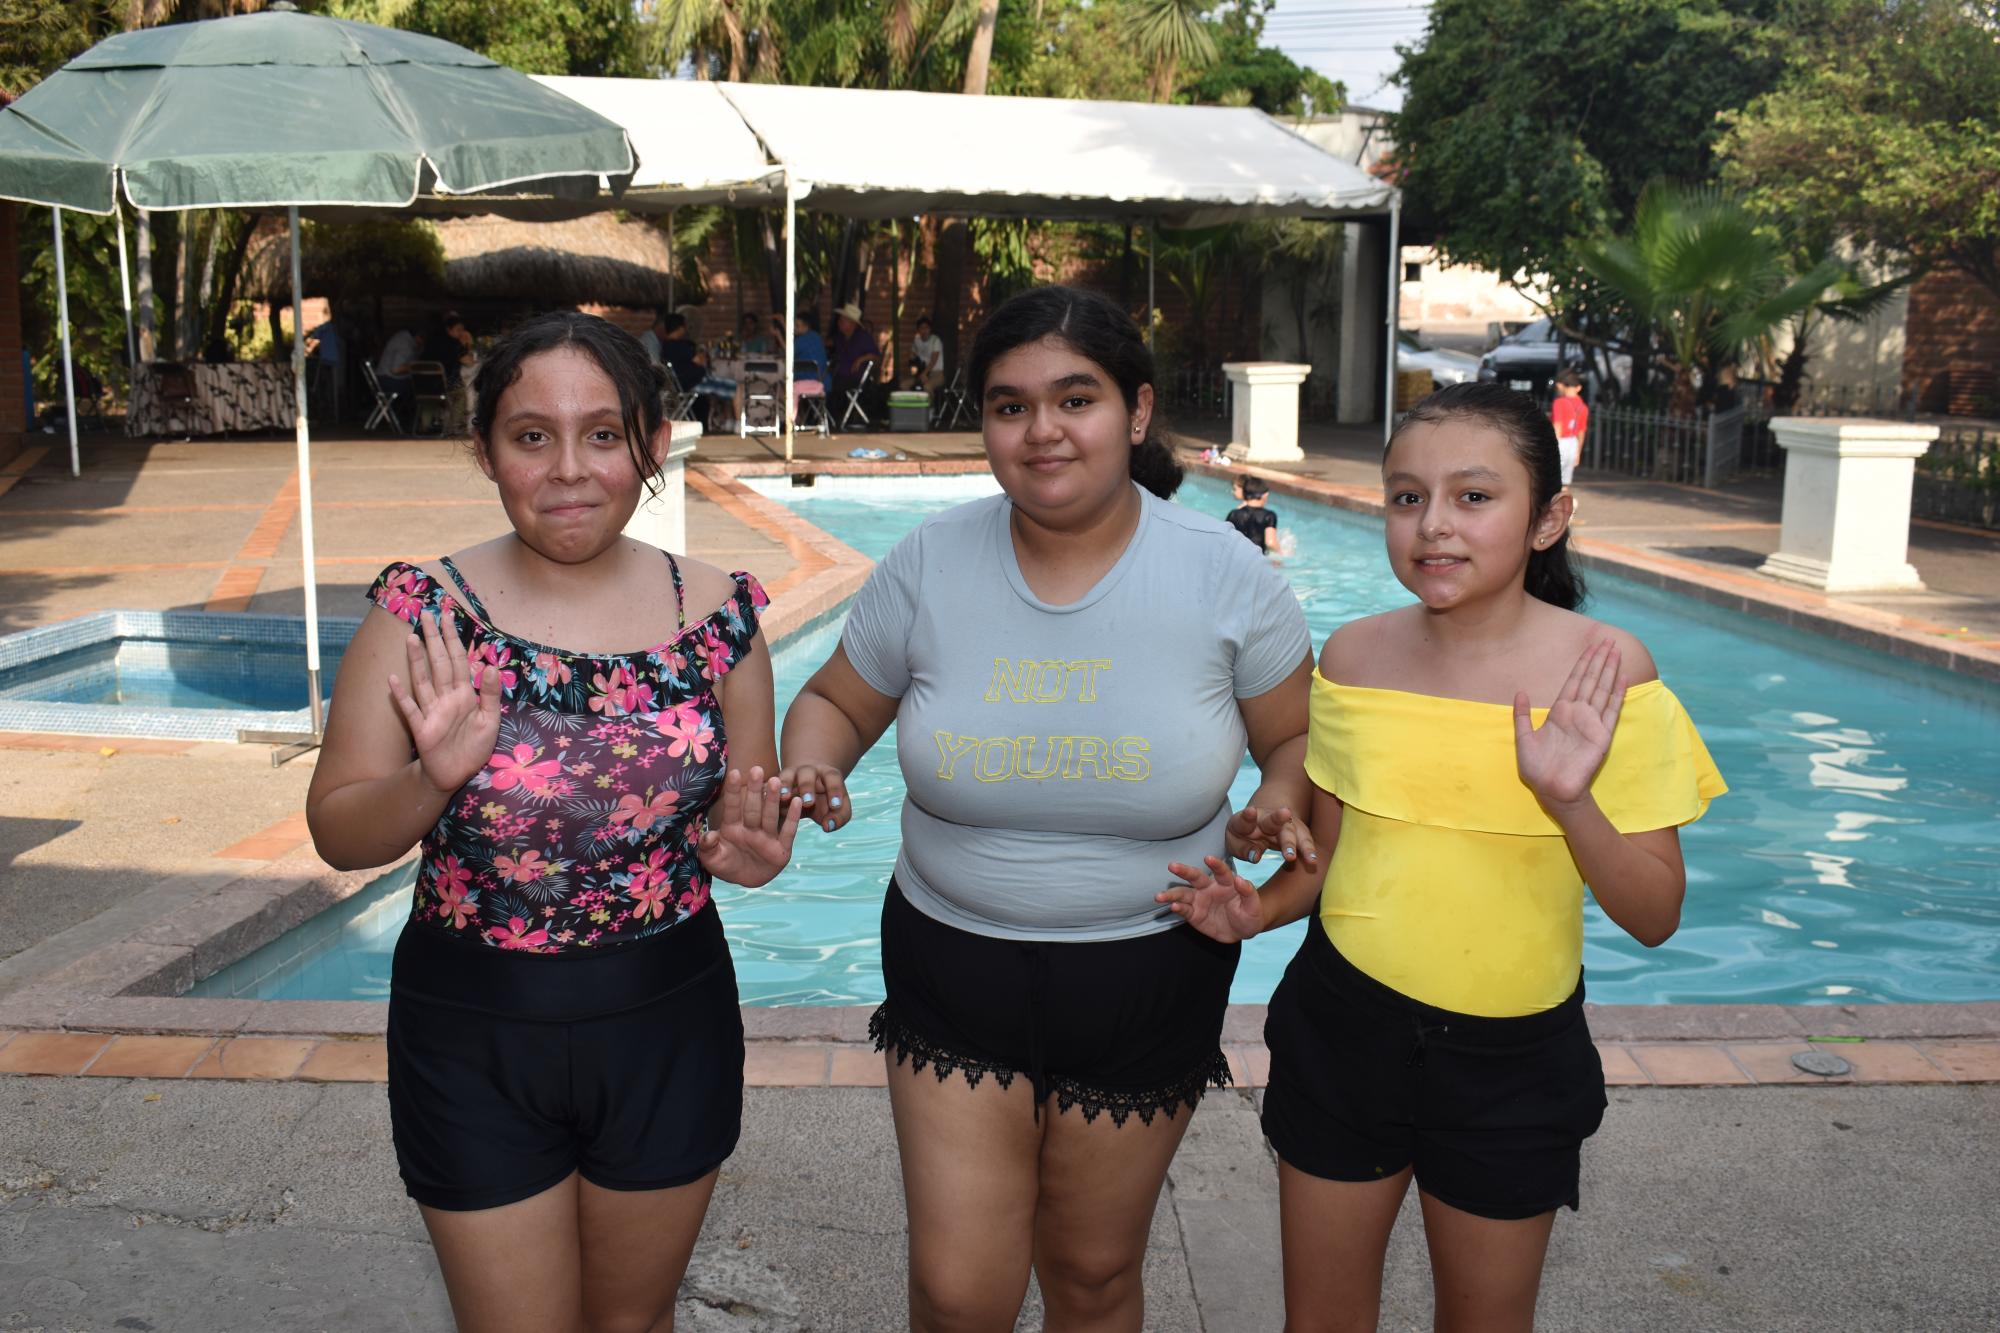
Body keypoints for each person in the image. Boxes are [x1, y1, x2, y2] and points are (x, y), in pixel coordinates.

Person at [779, 284, 1318, 1332]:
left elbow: (1289, 736)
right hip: (951, 958)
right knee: (956, 1290)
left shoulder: (1225, 576)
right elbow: (836, 700)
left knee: (1091, 1274)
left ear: (1138, 411)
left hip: (1150, 966)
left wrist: (1278, 794)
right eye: (1009, 404)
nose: (1042, 431)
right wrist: (813, 761)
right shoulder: (929, 560)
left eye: (1075, 399)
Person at [1161, 381, 1726, 1333]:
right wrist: (1256, 908)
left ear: (1549, 518)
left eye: (1474, 496)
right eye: (1406, 496)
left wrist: (1569, 799)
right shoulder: (1352, 657)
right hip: (1344, 1030)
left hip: (1513, 1057)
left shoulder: (1606, 671)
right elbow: (1332, 858)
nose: (1433, 526)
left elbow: (1655, 911)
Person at [304, 311, 799, 1333]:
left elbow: (737, 830)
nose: (568, 469)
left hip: (667, 1021)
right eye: (531, 435)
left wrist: (748, 851)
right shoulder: (421, 616)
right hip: (472, 1030)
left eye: (603, 434)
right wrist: (431, 779)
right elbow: (341, 830)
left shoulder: (719, 618)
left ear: (653, 443)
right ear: (485, 449)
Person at [829, 301, 878, 425]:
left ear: (851, 323)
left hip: (856, 378)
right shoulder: (840, 337)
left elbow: (875, 356)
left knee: (834, 388)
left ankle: (837, 419)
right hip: (841, 376)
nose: (839, 323)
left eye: (843, 320)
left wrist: (860, 359)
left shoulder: (863, 337)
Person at [1551, 368, 1588, 488]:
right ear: (1578, 388)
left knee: (1551, 481)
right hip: (1573, 444)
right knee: (1564, 483)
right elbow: (1581, 432)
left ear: (1560, 385)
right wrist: (1578, 453)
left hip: (1560, 443)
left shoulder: (1559, 403)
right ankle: (1567, 505)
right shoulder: (1583, 407)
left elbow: (1558, 427)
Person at [1226, 474, 1279, 553]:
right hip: (1256, 558)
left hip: (1237, 554)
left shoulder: (1234, 513)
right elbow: (1270, 542)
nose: (1232, 492)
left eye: (1234, 489)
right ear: (1265, 495)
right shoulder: (1269, 516)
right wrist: (1281, 554)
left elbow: (1225, 535)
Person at [375, 325, 424, 397]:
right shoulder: (406, 344)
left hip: (383, 377)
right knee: (419, 385)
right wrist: (415, 368)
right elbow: (396, 370)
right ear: (419, 337)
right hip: (389, 380)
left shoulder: (403, 336)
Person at [908, 315, 944, 392]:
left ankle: (930, 404)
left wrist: (925, 373)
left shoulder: (935, 340)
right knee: (904, 385)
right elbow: (912, 356)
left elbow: (933, 360)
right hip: (920, 373)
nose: (924, 330)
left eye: (926, 328)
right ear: (918, 330)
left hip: (936, 373)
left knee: (927, 387)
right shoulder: (917, 340)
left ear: (930, 329)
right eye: (921, 328)